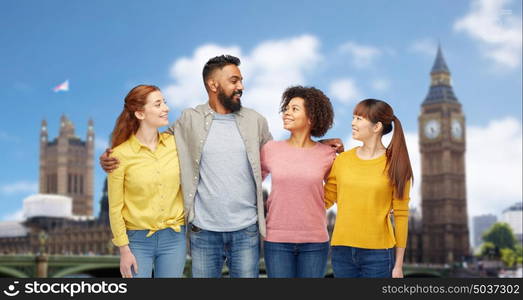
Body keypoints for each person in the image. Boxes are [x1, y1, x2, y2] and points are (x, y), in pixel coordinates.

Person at [101, 55, 343, 278]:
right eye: (234, 80)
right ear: (213, 85)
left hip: (246, 230)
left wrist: (316, 143)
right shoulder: (189, 119)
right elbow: (154, 143)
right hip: (203, 231)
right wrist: (113, 156)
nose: (241, 86)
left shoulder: (255, 121)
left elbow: (281, 156)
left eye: (242, 80)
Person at [324, 99, 413, 278]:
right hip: (341, 251)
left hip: (379, 254)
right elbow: (325, 200)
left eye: (359, 118)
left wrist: (398, 265)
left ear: (377, 126)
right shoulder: (342, 160)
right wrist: (316, 148)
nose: (352, 123)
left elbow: (401, 216)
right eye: (353, 117)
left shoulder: (396, 165)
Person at [107, 85, 186, 278]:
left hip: (175, 238)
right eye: (158, 104)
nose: (166, 108)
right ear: (140, 114)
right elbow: (115, 208)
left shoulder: (176, 145)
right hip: (137, 241)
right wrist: (124, 250)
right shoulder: (119, 155)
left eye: (165, 102)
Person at [260, 86, 336, 278]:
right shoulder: (270, 149)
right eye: (286, 108)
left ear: (311, 117)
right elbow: (249, 183)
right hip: (276, 241)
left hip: (315, 242)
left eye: (294, 109)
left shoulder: (327, 154)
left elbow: (339, 188)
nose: (286, 112)